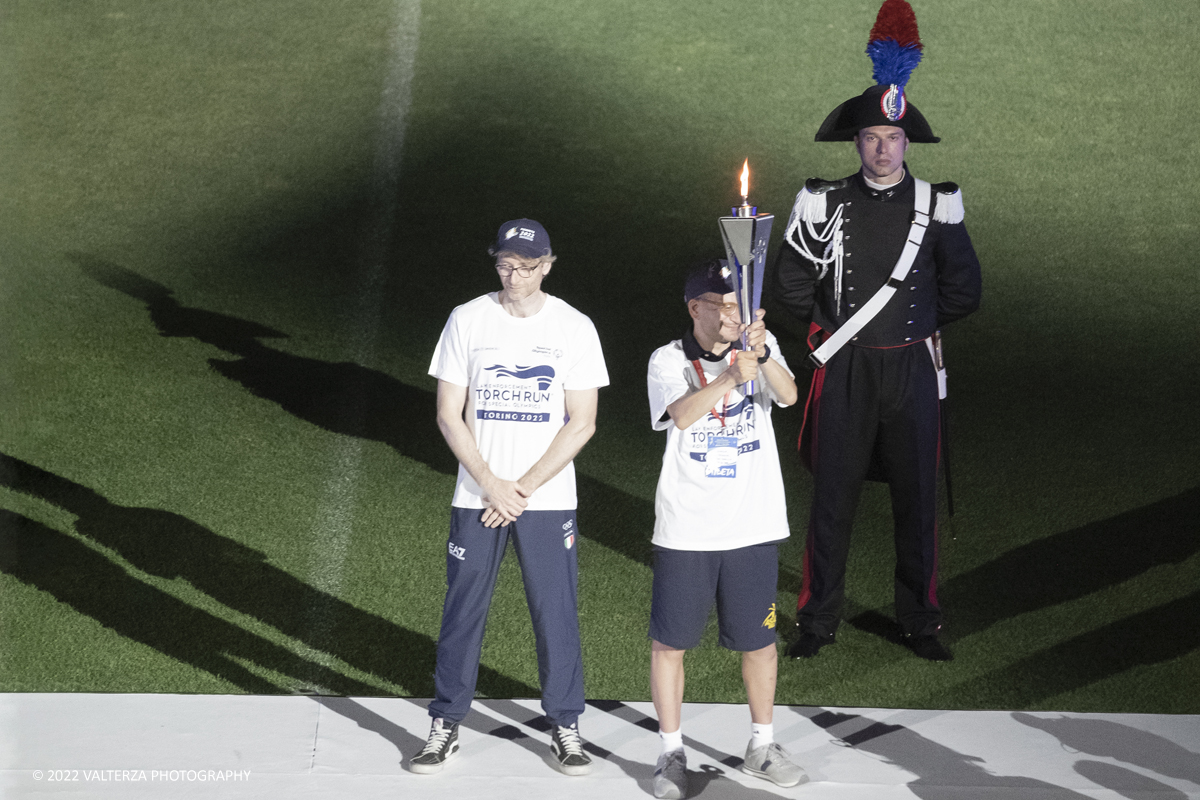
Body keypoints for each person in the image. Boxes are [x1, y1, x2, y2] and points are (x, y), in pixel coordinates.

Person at [774, 0, 982, 662]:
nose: (883, 148)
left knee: (916, 505)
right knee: (831, 503)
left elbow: (964, 290)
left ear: (907, 143)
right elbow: (788, 286)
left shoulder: (937, 205)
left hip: (913, 370)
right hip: (847, 369)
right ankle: (816, 621)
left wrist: (913, 326)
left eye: (893, 139)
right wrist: (826, 340)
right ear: (857, 142)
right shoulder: (822, 202)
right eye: (871, 138)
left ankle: (920, 622)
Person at [413, 219, 609, 775]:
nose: (515, 276)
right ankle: (447, 722)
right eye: (505, 264)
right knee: (462, 610)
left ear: (548, 264)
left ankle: (565, 724)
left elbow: (583, 422)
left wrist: (517, 489)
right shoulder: (467, 319)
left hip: (543, 500)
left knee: (555, 612)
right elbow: (449, 414)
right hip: (477, 495)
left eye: (526, 266)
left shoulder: (574, 327)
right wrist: (490, 482)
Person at [645, 260, 805, 799]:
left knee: (759, 642)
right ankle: (671, 754)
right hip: (688, 529)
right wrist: (732, 376)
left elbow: (787, 395)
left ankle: (762, 744)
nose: (734, 313)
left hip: (753, 525)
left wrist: (760, 357)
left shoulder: (759, 346)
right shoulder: (668, 359)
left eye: (739, 303)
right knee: (671, 644)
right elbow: (684, 416)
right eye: (723, 303)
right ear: (696, 308)